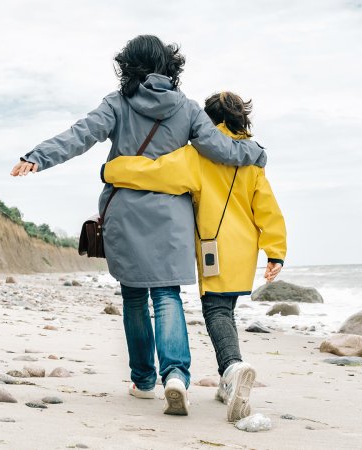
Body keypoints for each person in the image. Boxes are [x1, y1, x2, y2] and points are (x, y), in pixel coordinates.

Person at [10, 36, 267, 416]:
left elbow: (80, 135)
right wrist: (256, 152)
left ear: (128, 66)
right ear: (169, 65)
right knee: (167, 295)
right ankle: (176, 376)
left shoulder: (116, 104)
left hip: (126, 215)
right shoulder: (188, 109)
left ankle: (144, 380)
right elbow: (224, 151)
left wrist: (37, 157)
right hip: (172, 218)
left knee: (133, 297)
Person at [102, 91, 287, 422]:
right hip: (246, 249)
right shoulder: (251, 161)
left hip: (213, 245)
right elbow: (268, 209)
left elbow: (153, 171)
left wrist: (112, 169)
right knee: (225, 311)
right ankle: (227, 381)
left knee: (215, 311)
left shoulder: (197, 156)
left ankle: (232, 367)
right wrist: (276, 251)